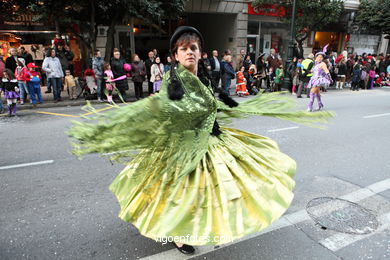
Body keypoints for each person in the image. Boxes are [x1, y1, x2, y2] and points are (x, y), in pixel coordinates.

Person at [68, 26, 333, 255]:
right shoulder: (174, 80)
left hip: (208, 140)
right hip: (184, 147)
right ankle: (178, 233)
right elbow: (169, 109)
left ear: (200, 52)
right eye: (183, 49)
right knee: (182, 194)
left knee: (221, 186)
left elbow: (216, 101)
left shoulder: (203, 76)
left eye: (193, 47)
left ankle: (201, 225)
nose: (189, 52)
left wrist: (236, 107)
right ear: (175, 55)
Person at [307, 47, 332, 112]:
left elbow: (327, 71)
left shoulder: (323, 64)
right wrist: (307, 71)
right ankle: (320, 104)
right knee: (317, 93)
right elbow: (312, 71)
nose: (319, 58)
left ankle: (310, 106)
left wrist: (330, 78)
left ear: (323, 58)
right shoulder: (316, 64)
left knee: (312, 92)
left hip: (319, 80)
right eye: (318, 57)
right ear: (316, 57)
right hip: (314, 79)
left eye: (321, 57)